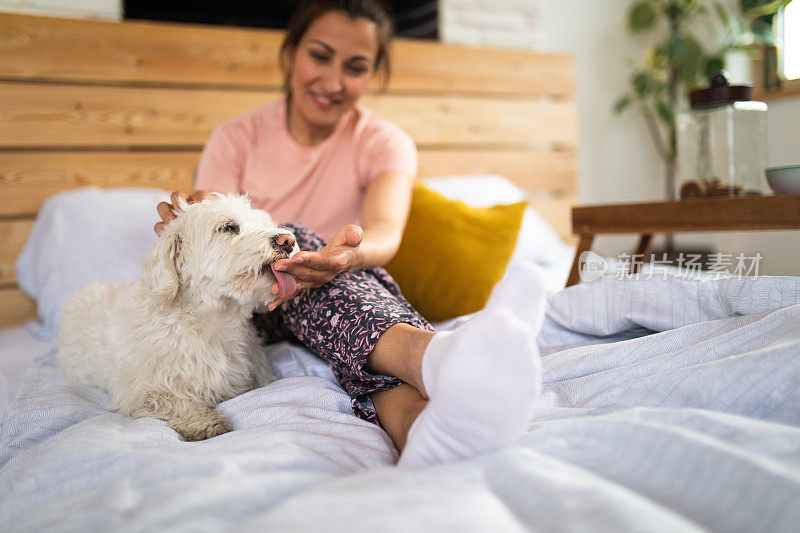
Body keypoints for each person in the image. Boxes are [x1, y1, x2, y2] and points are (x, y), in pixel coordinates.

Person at [156, 0, 544, 467]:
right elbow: (212, 226)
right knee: (294, 238)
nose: (334, 82)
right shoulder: (235, 138)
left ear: (373, 73)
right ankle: (439, 357)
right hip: (256, 303)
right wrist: (193, 217)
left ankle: (424, 432)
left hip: (349, 288)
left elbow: (384, 233)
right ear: (290, 53)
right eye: (320, 56)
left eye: (355, 67)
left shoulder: (384, 142)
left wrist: (344, 259)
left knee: (343, 312)